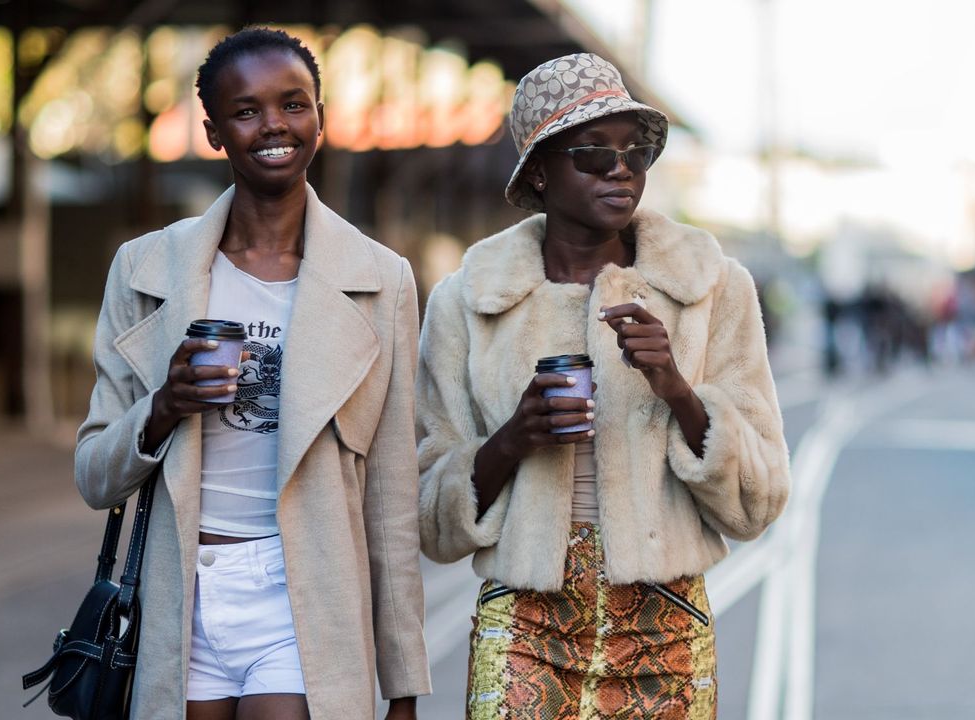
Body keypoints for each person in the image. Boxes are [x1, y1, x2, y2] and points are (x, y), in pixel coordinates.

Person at [416, 54, 791, 718]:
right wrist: (513, 439)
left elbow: (758, 503)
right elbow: (429, 516)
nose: (620, 169)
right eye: (592, 154)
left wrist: (676, 387)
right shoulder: (469, 301)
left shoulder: (710, 287)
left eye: (636, 153)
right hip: (525, 621)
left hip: (664, 623)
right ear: (539, 169)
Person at [75, 27, 429, 720]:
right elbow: (94, 475)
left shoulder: (380, 279)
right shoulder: (146, 270)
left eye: (294, 104)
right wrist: (164, 405)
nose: (274, 125)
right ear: (213, 132)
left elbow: (391, 497)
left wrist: (404, 686)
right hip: (179, 597)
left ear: (320, 116)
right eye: (246, 111)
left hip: (304, 594)